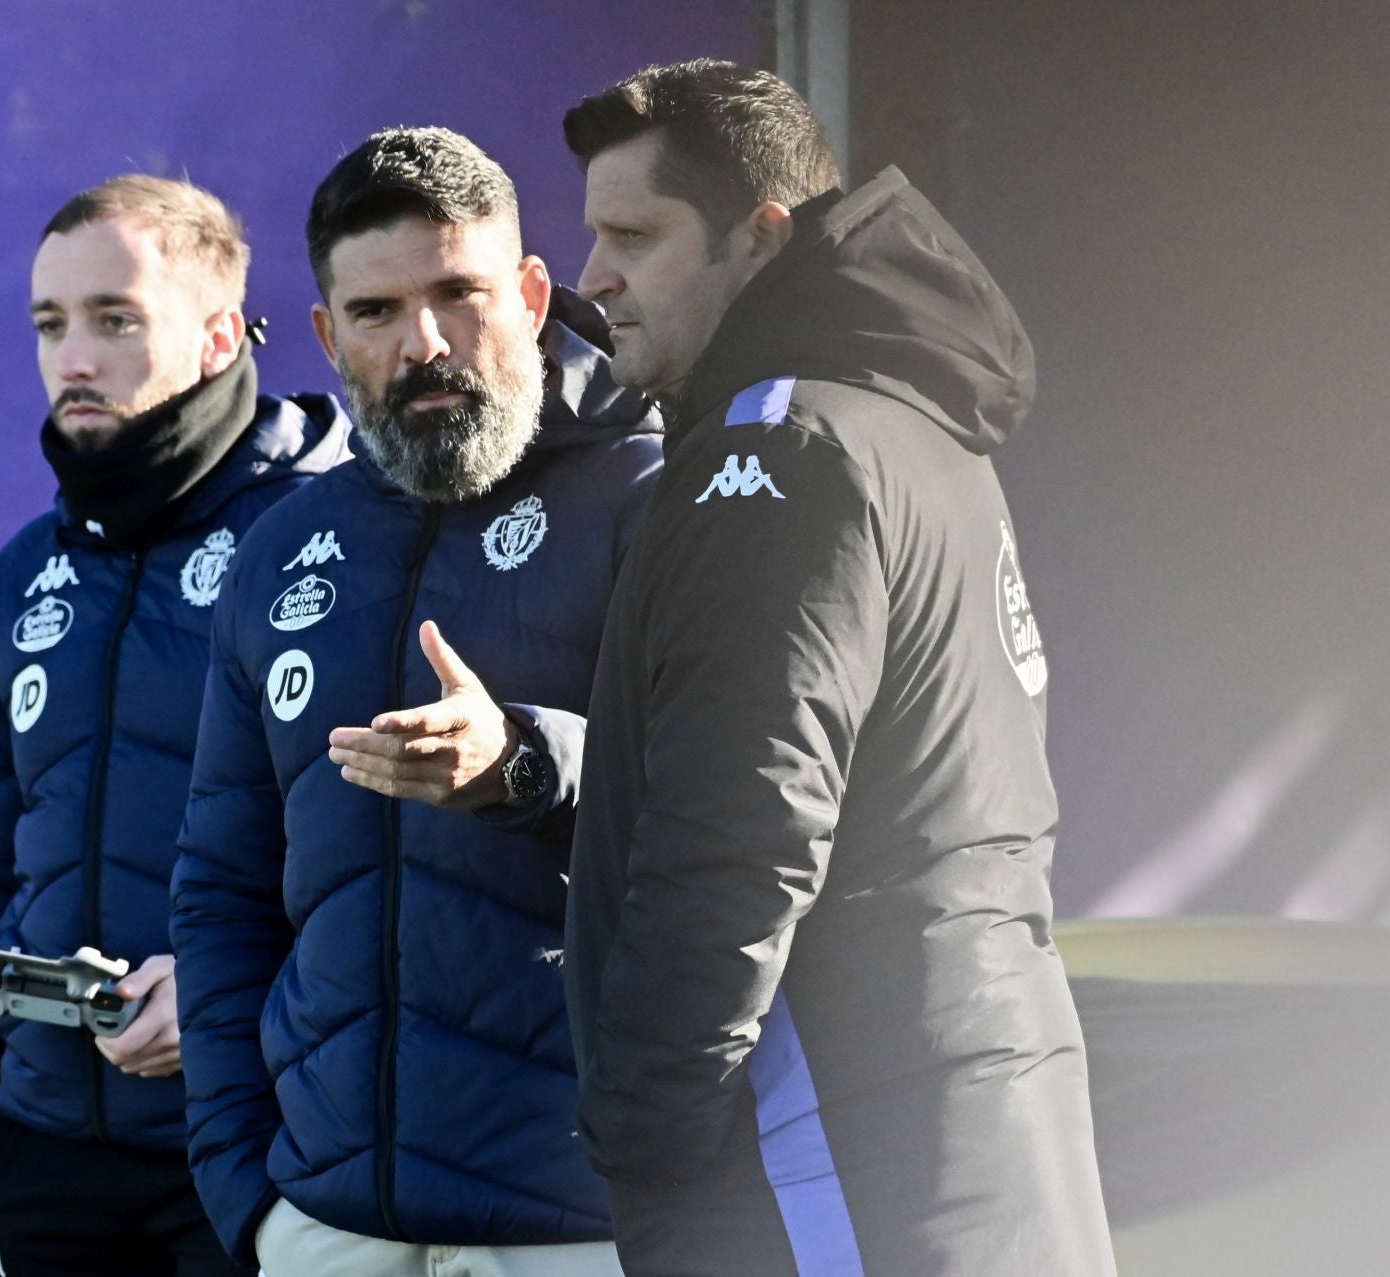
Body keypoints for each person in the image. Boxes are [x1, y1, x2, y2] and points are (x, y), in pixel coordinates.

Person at [560, 60, 1118, 1276]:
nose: (592, 276)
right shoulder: (900, 418)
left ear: (759, 240)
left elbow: (736, 833)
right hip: (946, 1122)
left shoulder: (779, 444)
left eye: (633, 235)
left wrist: (640, 1133)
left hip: (829, 1141)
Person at [169, 127, 660, 1277]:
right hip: (328, 1223)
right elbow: (222, 890)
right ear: (331, 336)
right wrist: (249, 1189)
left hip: (586, 1225)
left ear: (533, 295)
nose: (426, 343)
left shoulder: (659, 499)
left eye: (459, 293)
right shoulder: (282, 548)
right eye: (379, 312)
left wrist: (526, 761)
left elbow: (748, 815)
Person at [0, 175, 351, 1277]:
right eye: (49, 324)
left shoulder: (329, 537)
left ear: (218, 335)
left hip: (258, 1149)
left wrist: (223, 999)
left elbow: (389, 865)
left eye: (115, 319)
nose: (74, 357)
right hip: (43, 1158)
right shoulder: (25, 575)